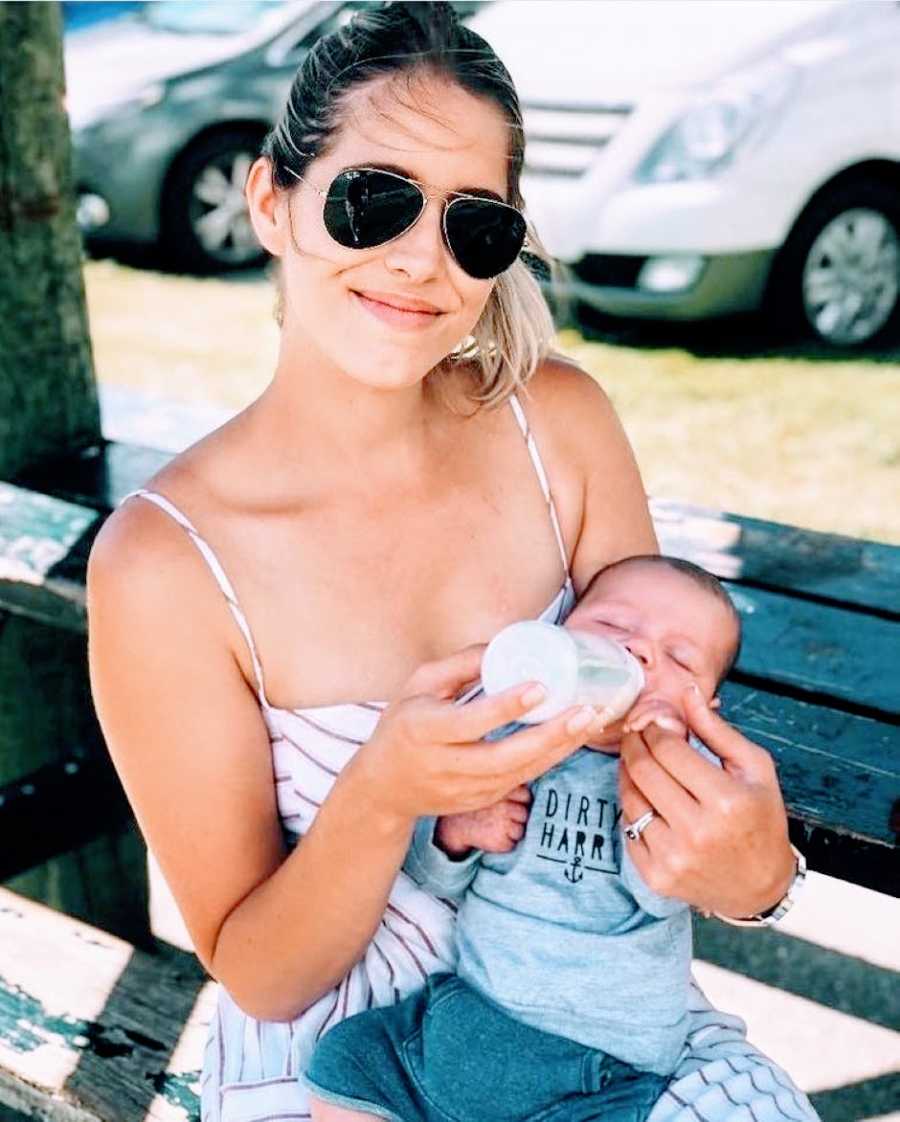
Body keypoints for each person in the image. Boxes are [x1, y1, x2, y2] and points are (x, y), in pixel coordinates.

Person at [85, 5, 816, 1121]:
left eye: (473, 225)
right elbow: (264, 974)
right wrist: (384, 797)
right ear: (271, 201)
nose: (422, 258)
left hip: (602, 1051)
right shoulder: (165, 567)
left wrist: (759, 878)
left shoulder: (558, 427)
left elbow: (662, 767)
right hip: (345, 1075)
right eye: (374, 199)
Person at [303, 554, 749, 1122]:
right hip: (471, 1020)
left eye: (679, 657)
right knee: (347, 1060)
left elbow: (665, 893)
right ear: (559, 641)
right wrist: (457, 828)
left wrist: (651, 772)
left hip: (600, 1066)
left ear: (706, 708)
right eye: (612, 628)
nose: (638, 651)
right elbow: (433, 873)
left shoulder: (688, 776)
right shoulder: (509, 736)